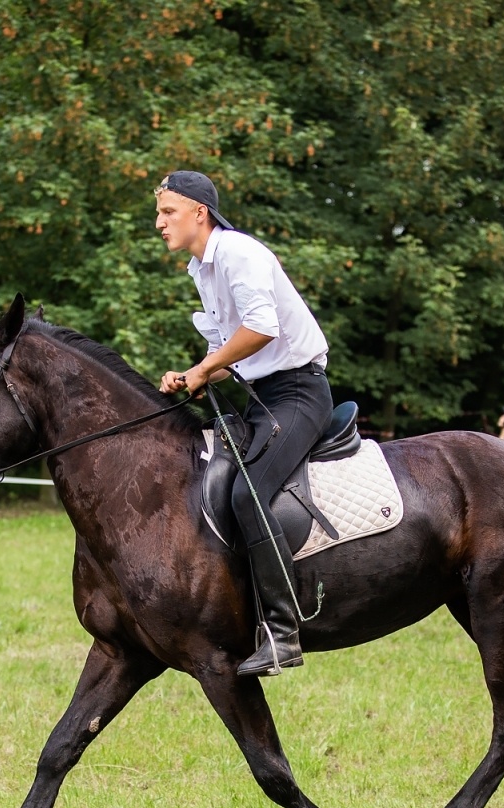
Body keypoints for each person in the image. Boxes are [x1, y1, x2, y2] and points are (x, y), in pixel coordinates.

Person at [155, 170, 331, 677]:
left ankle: (282, 633)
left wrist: (205, 368)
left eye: (168, 212)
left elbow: (261, 328)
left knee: (247, 494)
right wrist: (193, 374)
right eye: (159, 214)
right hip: (261, 398)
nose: (160, 223)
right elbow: (226, 350)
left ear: (199, 212)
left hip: (297, 392)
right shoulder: (201, 268)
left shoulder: (237, 253)